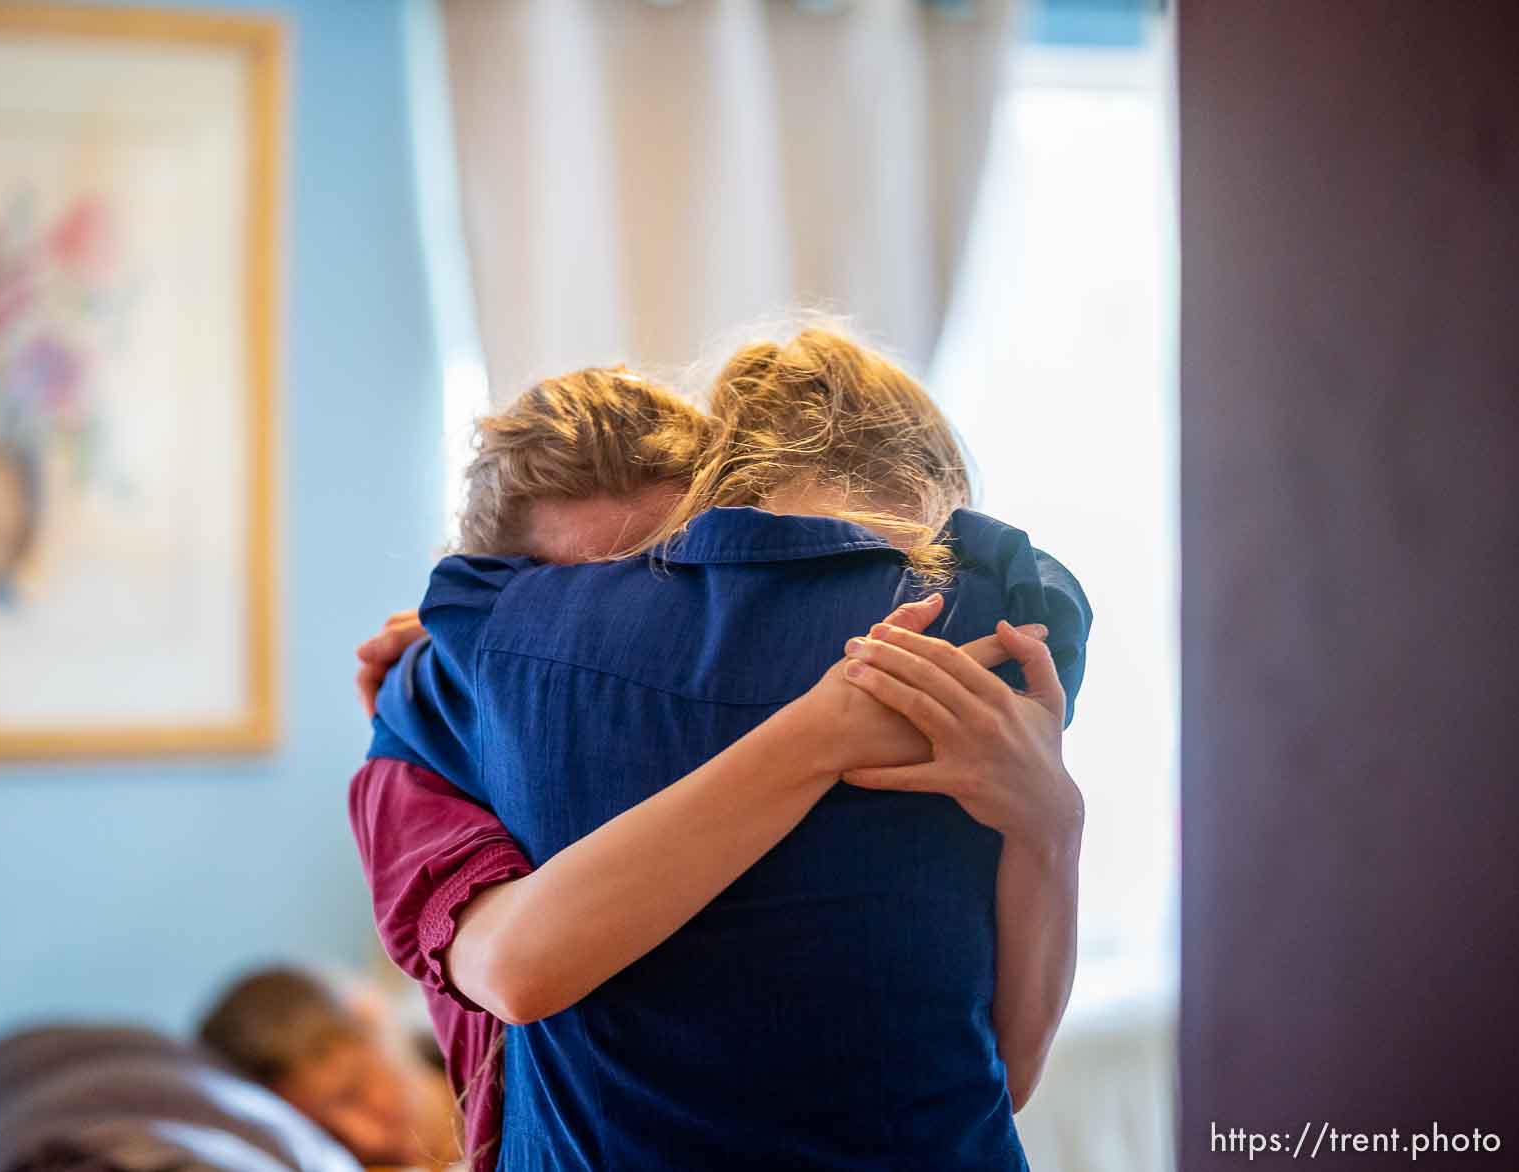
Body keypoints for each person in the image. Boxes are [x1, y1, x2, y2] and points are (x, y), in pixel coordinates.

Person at [353, 332, 1088, 1169]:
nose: (626, 630)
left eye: (659, 575)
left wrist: (1054, 824)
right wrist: (819, 733)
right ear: (508, 586)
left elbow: (1002, 1073)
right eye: (579, 594)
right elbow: (515, 970)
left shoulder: (949, 718)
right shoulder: (418, 757)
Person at [198, 966, 463, 1170]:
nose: (364, 1139)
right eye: (326, 1136)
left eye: (353, 1092)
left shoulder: (493, 1057)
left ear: (370, 1016)